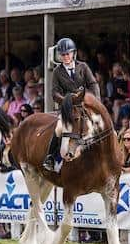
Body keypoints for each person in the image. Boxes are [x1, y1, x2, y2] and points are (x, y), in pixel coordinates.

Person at [43, 37, 100, 171]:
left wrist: (94, 100)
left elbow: (93, 84)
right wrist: (66, 101)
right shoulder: (57, 71)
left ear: (73, 53)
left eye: (67, 54)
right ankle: (51, 157)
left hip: (85, 104)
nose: (65, 57)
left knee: (99, 124)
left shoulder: (83, 67)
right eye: (63, 54)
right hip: (68, 107)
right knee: (58, 128)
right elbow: (55, 92)